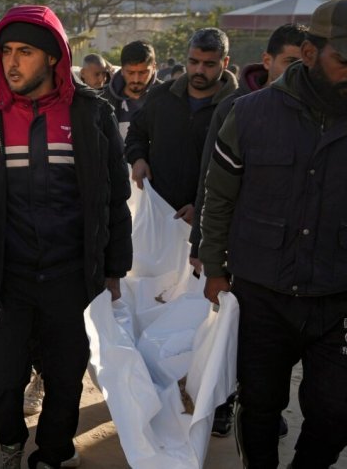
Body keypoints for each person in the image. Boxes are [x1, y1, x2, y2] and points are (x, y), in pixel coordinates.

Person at [199, 0, 347, 468]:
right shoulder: (249, 115)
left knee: (339, 412)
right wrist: (216, 270)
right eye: (345, 60)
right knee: (260, 406)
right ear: (309, 52)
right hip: (264, 293)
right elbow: (218, 199)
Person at [0, 5, 133, 469]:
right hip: (6, 275)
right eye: (6, 51)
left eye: (25, 51)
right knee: (5, 377)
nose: (11, 62)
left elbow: (113, 198)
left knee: (66, 377)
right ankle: (8, 442)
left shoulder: (91, 115)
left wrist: (113, 269)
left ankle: (55, 452)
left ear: (52, 58)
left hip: (71, 275)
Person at [187, 23, 305, 438]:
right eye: (291, 61)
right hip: (238, 243)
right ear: (268, 61)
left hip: (287, 251)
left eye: (306, 60)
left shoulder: (318, 108)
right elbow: (211, 181)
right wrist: (203, 246)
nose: (300, 70)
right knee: (230, 329)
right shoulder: (237, 107)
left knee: (273, 341)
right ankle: (219, 403)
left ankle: (263, 407)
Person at [125, 28, 236, 226]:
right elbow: (136, 134)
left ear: (225, 62)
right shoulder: (160, 96)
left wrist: (200, 206)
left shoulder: (237, 108)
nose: (199, 70)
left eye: (209, 64)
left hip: (210, 224)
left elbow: (238, 173)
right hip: (156, 214)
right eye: (193, 62)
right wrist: (138, 159)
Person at [101, 40, 160, 137]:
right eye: (130, 73)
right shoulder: (102, 99)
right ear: (122, 69)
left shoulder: (167, 97)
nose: (136, 79)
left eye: (142, 73)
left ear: (154, 67)